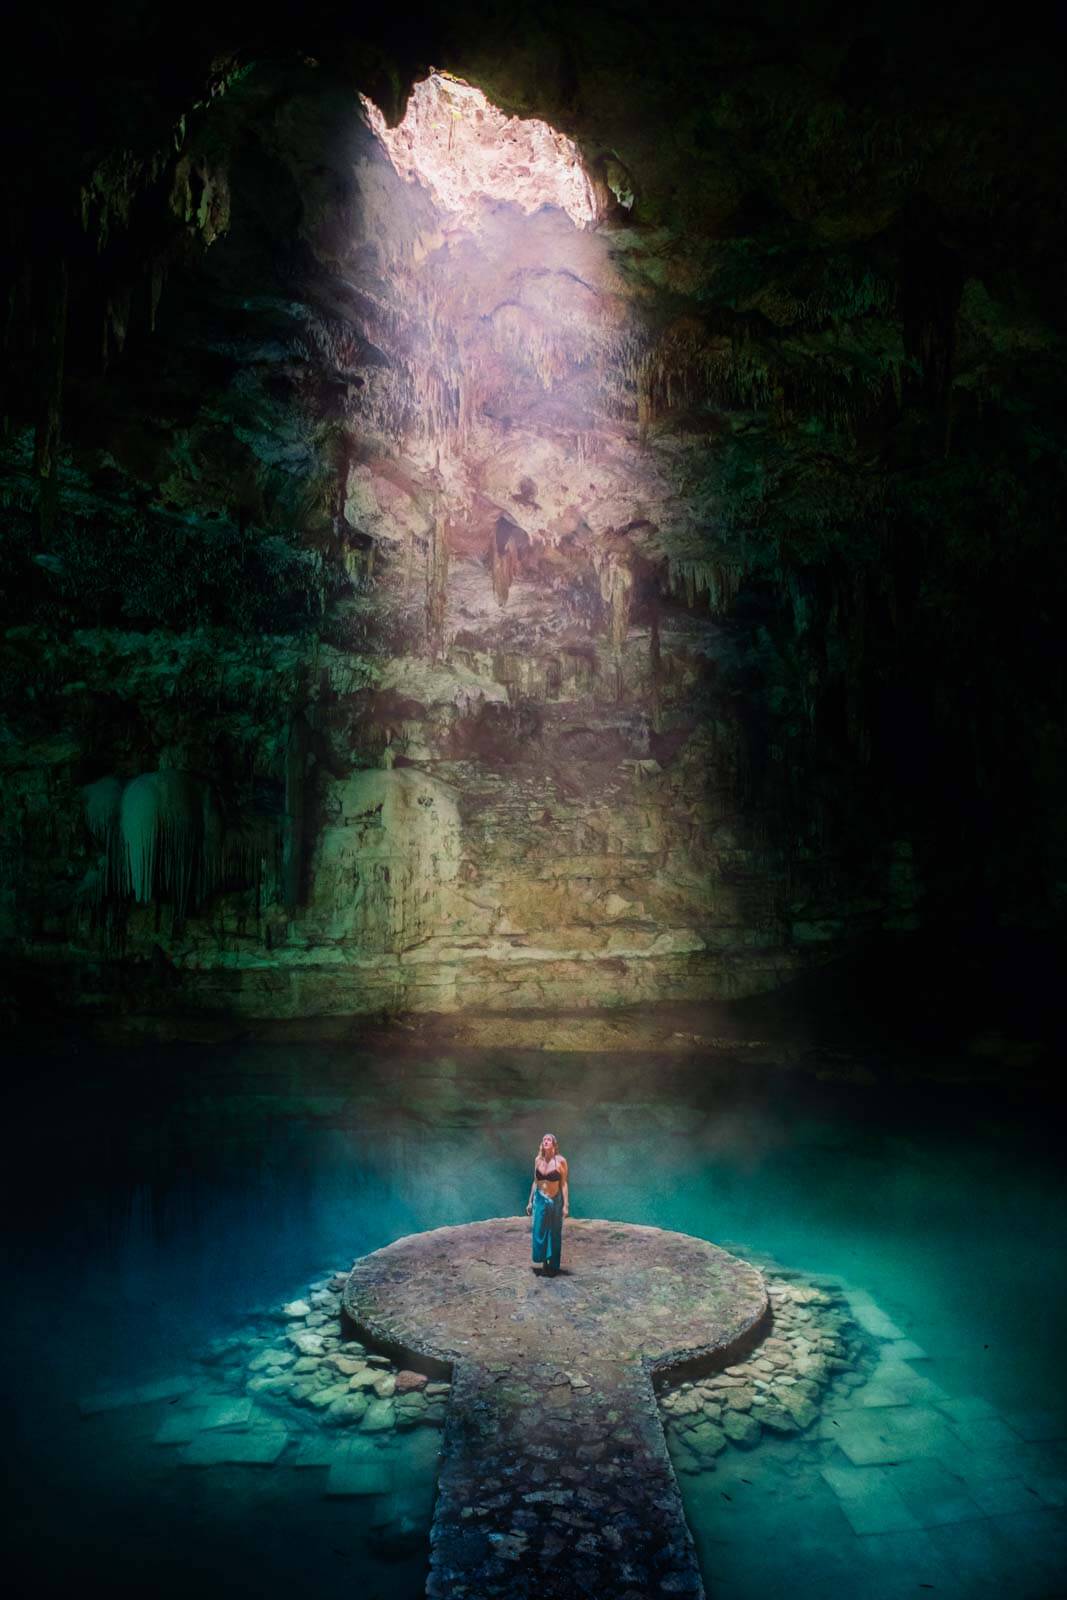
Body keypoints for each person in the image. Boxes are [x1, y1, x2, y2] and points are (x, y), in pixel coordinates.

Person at [525, 1132, 569, 1275]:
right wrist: (530, 1201)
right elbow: (535, 1181)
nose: (545, 1141)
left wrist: (565, 1205)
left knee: (554, 1231)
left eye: (548, 1139)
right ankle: (544, 1261)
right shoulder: (538, 1160)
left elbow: (563, 1184)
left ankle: (552, 1264)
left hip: (554, 1200)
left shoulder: (561, 1161)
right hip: (540, 1199)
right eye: (544, 1139)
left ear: (554, 1144)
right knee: (539, 1231)